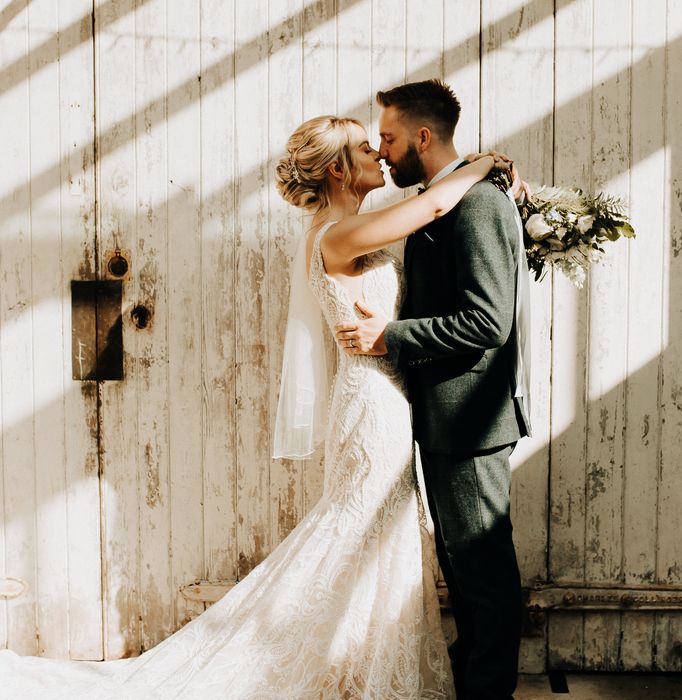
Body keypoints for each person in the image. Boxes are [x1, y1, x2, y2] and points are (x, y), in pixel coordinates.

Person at [0, 114, 514, 699]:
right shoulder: (337, 234)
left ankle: (359, 667)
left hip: (387, 399)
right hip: (372, 404)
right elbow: (432, 209)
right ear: (337, 169)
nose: (377, 151)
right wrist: (482, 166)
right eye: (363, 147)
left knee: (374, 540)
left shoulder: (350, 225)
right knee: (359, 536)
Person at [334, 80, 532, 700]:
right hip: (441, 417)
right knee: (464, 572)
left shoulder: (476, 206)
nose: (384, 151)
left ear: (422, 136)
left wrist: (391, 337)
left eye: (388, 138)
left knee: (484, 577)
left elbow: (487, 320)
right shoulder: (447, 199)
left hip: (471, 423)